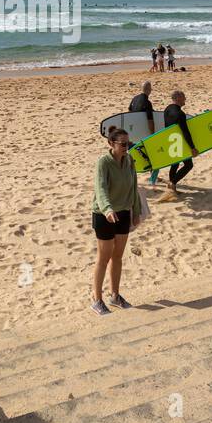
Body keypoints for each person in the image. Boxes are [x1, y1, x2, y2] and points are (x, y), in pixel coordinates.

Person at [90, 127, 142, 315]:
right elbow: (100, 188)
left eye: (128, 144)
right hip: (104, 215)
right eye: (122, 144)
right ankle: (96, 299)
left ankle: (115, 295)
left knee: (118, 256)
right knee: (103, 258)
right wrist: (107, 209)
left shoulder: (129, 160)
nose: (126, 147)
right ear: (111, 144)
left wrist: (136, 210)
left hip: (123, 213)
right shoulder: (103, 163)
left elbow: (134, 185)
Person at [158, 90, 198, 202]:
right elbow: (185, 132)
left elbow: (167, 127)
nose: (185, 99)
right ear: (178, 98)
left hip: (171, 140)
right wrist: (192, 147)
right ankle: (172, 183)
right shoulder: (180, 114)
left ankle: (172, 188)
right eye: (184, 97)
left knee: (175, 164)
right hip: (180, 142)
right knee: (188, 164)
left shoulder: (167, 110)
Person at [128, 81, 161, 188]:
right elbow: (150, 120)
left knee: (134, 156)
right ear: (149, 90)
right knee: (154, 155)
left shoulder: (134, 99)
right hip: (144, 134)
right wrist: (153, 135)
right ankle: (153, 179)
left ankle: (131, 178)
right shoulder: (147, 102)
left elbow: (128, 113)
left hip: (133, 134)